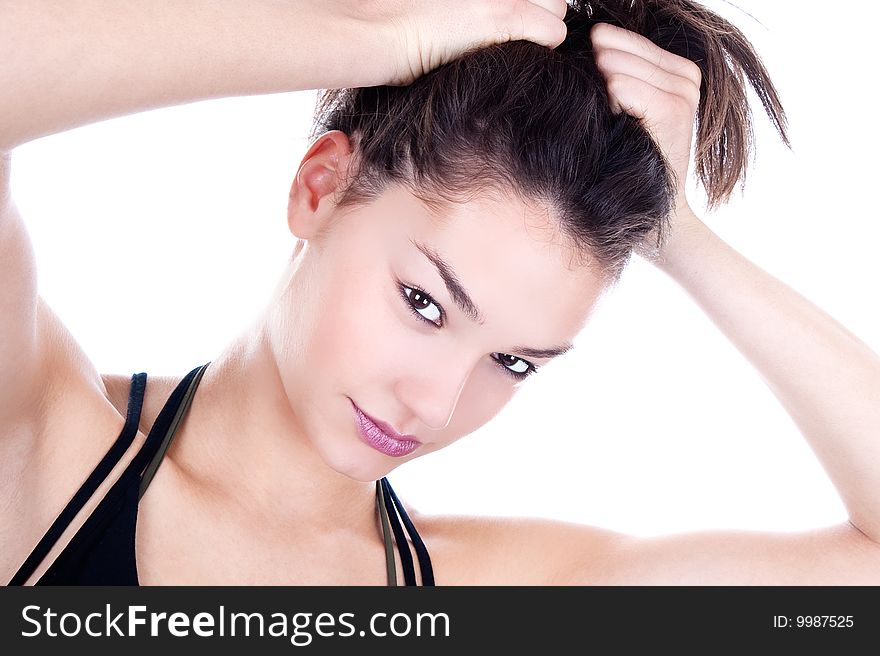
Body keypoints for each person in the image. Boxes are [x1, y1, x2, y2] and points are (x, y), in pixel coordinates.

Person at [2, 0, 879, 586]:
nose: (437, 401)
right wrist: (373, 37)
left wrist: (679, 234)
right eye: (425, 303)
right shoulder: (38, 446)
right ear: (320, 187)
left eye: (512, 361)